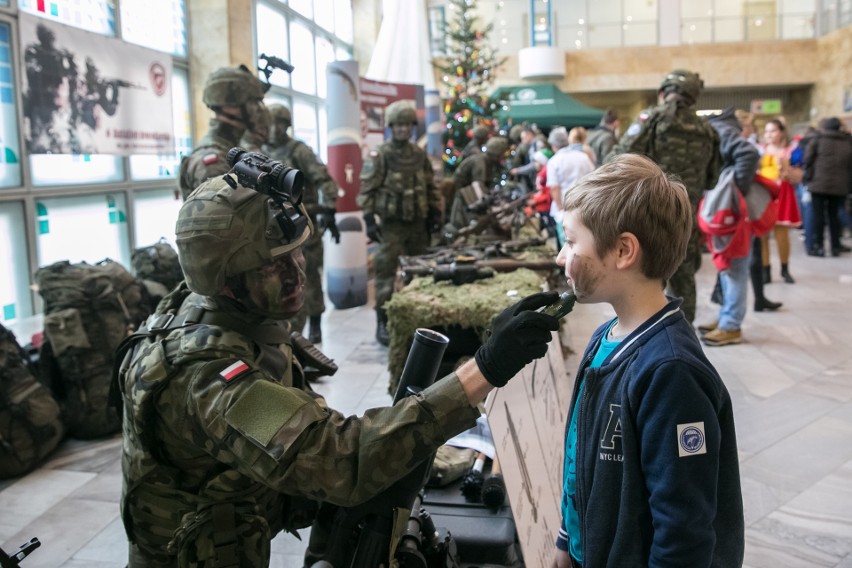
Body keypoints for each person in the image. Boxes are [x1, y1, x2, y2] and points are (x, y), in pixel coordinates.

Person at [116, 157, 561, 568]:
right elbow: (340, 459)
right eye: (273, 266)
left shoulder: (221, 311)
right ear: (224, 278)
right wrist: (484, 368)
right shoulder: (208, 377)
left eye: (297, 253)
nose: (297, 273)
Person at [552, 154, 744, 568]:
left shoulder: (671, 372)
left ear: (623, 250)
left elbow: (684, 528)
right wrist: (566, 545)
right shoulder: (606, 338)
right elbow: (577, 462)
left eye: (569, 242)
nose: (559, 258)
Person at [608, 69, 721, 324]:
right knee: (684, 279)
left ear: (663, 92)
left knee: (645, 281)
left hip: (649, 216)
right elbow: (714, 178)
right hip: (687, 218)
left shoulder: (652, 118)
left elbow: (617, 159)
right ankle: (683, 335)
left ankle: (645, 340)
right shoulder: (707, 130)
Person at [357, 100, 443, 346]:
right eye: (399, 125)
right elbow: (367, 189)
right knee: (384, 277)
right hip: (391, 226)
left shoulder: (418, 155)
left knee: (421, 273)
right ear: (391, 127)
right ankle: (383, 323)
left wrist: (435, 214)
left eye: (407, 125)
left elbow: (430, 186)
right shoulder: (381, 155)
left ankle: (418, 318)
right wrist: (368, 219)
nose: (403, 130)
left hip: (418, 225)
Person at [263, 103, 340, 344]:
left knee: (308, 274)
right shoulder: (257, 150)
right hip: (270, 225)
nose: (275, 129)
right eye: (271, 123)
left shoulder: (300, 151)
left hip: (301, 223)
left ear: (287, 126)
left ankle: (315, 322)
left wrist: (329, 209)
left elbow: (324, 180)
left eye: (280, 124)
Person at [697, 108, 761, 346]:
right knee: (728, 265)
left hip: (730, 209)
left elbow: (748, 153)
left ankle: (731, 325)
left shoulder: (719, 129)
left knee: (735, 266)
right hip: (727, 207)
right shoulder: (721, 129)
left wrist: (736, 192)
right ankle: (727, 317)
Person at [177, 65, 267, 200]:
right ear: (232, 105)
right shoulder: (213, 162)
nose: (259, 109)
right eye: (253, 102)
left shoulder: (231, 148)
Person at [758, 118, 801, 283]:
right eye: (767, 131)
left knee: (782, 233)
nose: (769, 134)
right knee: (762, 234)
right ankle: (765, 270)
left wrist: (788, 172)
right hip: (763, 194)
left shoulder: (791, 151)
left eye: (773, 131)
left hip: (783, 193)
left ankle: (785, 269)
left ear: (781, 132)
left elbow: (799, 175)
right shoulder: (759, 151)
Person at [804, 116, 852, 257]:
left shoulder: (817, 140)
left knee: (818, 216)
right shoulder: (847, 142)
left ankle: (818, 246)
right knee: (834, 216)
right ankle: (835, 247)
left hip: (818, 185)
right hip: (840, 186)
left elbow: (808, 160)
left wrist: (808, 176)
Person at [448, 136, 509, 234]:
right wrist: (486, 204)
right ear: (497, 153)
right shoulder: (480, 162)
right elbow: (477, 185)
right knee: (463, 226)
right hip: (464, 195)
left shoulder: (486, 161)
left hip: (468, 194)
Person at [546, 126, 594, 248]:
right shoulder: (582, 157)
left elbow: (554, 188)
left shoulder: (554, 161)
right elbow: (593, 179)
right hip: (585, 204)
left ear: (553, 145)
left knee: (567, 245)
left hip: (565, 206)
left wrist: (560, 209)